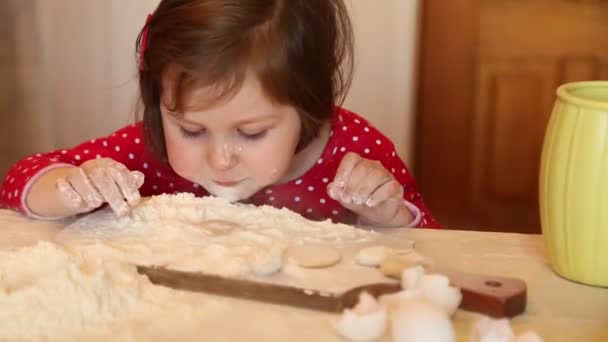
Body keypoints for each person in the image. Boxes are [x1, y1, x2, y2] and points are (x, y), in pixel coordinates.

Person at [0, 0, 440, 228]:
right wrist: (73, 189)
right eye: (191, 130)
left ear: (309, 106)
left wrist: (386, 218)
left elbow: (438, 250)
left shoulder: (355, 153)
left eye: (251, 133)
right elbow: (18, 184)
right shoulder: (146, 149)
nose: (220, 159)